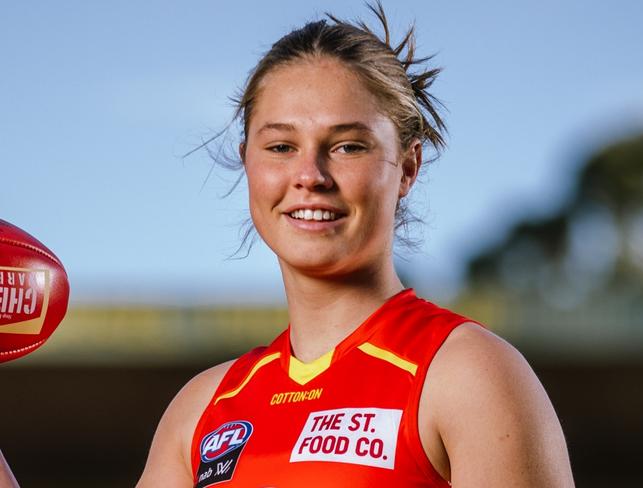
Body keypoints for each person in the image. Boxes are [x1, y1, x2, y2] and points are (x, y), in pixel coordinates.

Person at [137, 3, 575, 487]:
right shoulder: (203, 409)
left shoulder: (467, 374)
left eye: (348, 146)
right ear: (247, 163)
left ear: (408, 167)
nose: (310, 176)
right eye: (281, 147)